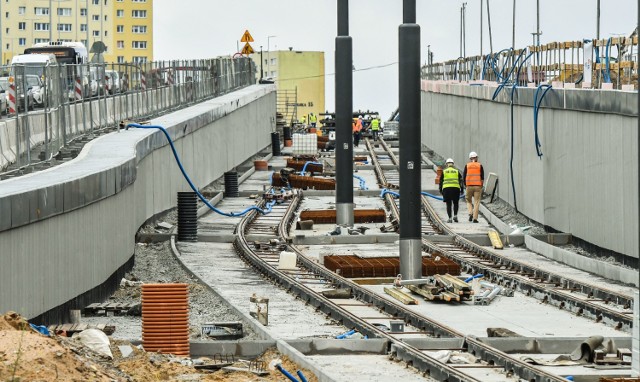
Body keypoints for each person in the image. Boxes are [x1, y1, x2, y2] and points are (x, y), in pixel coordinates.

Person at [439, 158, 463, 223]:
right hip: (456, 189)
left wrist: (440, 190)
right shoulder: (456, 171)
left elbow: (441, 181)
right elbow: (461, 180)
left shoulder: (444, 171)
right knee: (456, 203)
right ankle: (455, 215)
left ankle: (450, 218)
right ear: (453, 164)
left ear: (447, 164)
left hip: (446, 189)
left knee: (448, 204)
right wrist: (462, 189)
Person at [463, 151, 484, 223]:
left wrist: (465, 185)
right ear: (476, 158)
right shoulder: (480, 165)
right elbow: (482, 177)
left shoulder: (467, 165)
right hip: (478, 186)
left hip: (469, 186)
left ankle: (470, 213)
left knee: (468, 200)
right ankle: (475, 218)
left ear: (470, 158)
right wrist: (481, 186)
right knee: (476, 202)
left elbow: (464, 176)